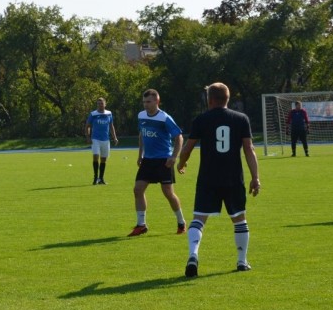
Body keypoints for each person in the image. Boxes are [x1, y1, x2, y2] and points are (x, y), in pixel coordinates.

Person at [176, 82, 260, 277]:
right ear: (227, 99)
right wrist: (255, 177)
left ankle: (193, 255)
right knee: (239, 219)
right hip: (233, 177)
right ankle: (241, 261)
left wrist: (181, 163)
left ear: (210, 100)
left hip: (208, 177)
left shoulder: (201, 120)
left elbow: (187, 148)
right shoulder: (241, 119)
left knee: (199, 219)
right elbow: (249, 149)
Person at [129, 89, 186, 236]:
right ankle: (141, 225)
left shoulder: (164, 118)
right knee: (137, 189)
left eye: (148, 102)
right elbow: (142, 134)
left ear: (157, 101)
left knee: (168, 192)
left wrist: (174, 156)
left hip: (163, 160)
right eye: (144, 102)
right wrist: (140, 154)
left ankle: (181, 222)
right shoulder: (141, 116)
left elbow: (179, 137)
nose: (146, 105)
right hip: (148, 160)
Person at [85, 97, 118, 185]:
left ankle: (101, 179)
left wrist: (114, 137)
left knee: (103, 159)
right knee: (96, 156)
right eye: (98, 104)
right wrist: (88, 137)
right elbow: (87, 126)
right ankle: (95, 178)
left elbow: (111, 126)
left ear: (105, 104)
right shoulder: (93, 114)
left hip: (106, 140)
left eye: (101, 103)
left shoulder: (109, 113)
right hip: (95, 139)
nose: (100, 105)